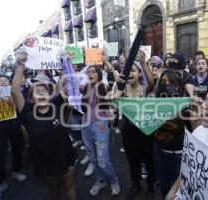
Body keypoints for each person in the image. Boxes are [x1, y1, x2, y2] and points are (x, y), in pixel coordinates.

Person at [11, 52, 77, 200]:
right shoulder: (27, 112)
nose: (41, 94)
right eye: (37, 92)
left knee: (69, 185)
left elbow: (72, 85)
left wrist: (67, 64)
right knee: (53, 187)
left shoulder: (57, 103)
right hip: (44, 159)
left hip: (65, 153)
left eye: (44, 91)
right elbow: (14, 91)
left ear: (50, 95)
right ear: (32, 98)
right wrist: (21, 64)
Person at [113, 51, 155, 199]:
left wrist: (144, 64)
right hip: (129, 131)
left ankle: (150, 186)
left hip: (146, 131)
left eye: (133, 70)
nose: (130, 73)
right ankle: (136, 184)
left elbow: (152, 84)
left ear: (139, 73)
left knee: (149, 161)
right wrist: (119, 85)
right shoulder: (123, 89)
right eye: (127, 71)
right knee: (133, 160)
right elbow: (113, 99)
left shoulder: (145, 89)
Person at [80, 65, 120, 197]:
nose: (90, 74)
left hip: (100, 126)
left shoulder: (104, 87)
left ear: (98, 74)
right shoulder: (85, 87)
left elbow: (117, 87)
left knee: (103, 159)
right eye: (88, 72)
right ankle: (100, 181)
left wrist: (109, 66)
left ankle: (114, 180)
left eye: (93, 71)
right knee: (93, 158)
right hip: (85, 126)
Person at [153, 69, 188, 199]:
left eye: (171, 82)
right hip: (159, 151)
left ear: (179, 86)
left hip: (178, 155)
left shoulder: (186, 105)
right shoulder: (151, 104)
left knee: (175, 192)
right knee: (163, 185)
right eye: (163, 82)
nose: (166, 84)